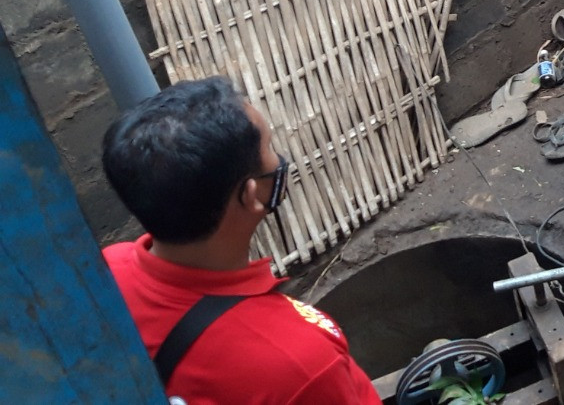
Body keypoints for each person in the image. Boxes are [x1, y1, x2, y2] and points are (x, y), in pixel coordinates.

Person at [101, 77, 381, 404]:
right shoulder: (299, 365)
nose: (279, 160)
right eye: (270, 148)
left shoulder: (105, 275)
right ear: (250, 194)